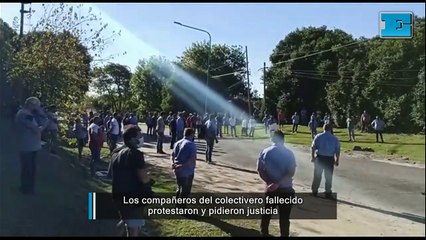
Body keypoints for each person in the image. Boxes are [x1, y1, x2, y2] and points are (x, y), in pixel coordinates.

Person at [110, 125, 153, 237]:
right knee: (133, 229)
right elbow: (143, 178)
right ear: (132, 138)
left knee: (125, 220)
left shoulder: (116, 153)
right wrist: (149, 179)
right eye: (139, 136)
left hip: (118, 195)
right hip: (133, 198)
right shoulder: (135, 154)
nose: (141, 138)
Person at [257, 130, 296, 237]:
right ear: (283, 140)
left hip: (271, 189)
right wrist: (278, 183)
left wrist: (270, 182)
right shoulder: (289, 154)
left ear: (273, 139)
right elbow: (291, 172)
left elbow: (260, 170)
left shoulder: (264, 152)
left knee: (266, 214)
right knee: (284, 217)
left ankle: (264, 233)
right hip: (286, 189)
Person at [15, 97, 48, 194]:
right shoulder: (24, 114)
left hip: (31, 145)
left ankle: (28, 188)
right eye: (36, 106)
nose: (37, 108)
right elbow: (36, 129)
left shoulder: (27, 114)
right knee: (28, 169)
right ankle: (26, 189)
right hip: (27, 145)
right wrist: (45, 124)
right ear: (31, 105)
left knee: (30, 168)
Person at [311, 123, 340, 199]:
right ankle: (327, 192)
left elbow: (313, 147)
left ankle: (315, 190)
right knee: (328, 176)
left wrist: (313, 157)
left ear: (323, 128)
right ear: (331, 129)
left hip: (320, 158)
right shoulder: (335, 138)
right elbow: (337, 150)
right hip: (329, 159)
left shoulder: (318, 136)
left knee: (317, 175)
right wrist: (337, 160)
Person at [171, 128, 197, 207]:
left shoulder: (177, 143)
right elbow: (192, 158)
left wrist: (173, 164)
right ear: (191, 134)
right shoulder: (190, 144)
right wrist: (182, 166)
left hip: (177, 169)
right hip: (186, 170)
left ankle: (177, 204)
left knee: (179, 187)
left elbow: (172, 155)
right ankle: (182, 206)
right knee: (185, 190)